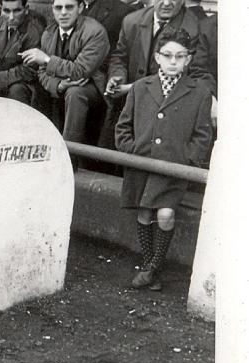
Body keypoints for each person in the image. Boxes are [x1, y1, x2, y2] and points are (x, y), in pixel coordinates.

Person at [114, 28, 212, 291]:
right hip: (142, 165)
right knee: (145, 212)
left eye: (180, 56)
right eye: (167, 55)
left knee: (166, 215)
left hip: (173, 169)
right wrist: (132, 150)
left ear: (188, 60)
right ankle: (150, 268)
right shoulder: (141, 87)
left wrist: (186, 162)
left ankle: (152, 268)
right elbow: (122, 127)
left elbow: (203, 136)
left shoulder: (198, 91)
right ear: (157, 57)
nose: (173, 61)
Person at [102, 0, 213, 151]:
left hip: (168, 107)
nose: (167, 3)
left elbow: (184, 71)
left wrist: (130, 88)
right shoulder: (132, 21)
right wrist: (117, 76)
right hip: (128, 105)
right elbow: (120, 56)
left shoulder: (194, 27)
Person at [22, 0, 109, 148]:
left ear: (80, 8)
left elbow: (80, 71)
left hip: (92, 88)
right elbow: (42, 72)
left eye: (69, 7)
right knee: (35, 89)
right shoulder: (49, 33)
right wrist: (59, 85)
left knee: (75, 93)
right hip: (61, 86)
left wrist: (47, 59)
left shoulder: (95, 31)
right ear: (53, 9)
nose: (63, 12)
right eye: (58, 7)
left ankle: (69, 155)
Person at [0, 0, 43, 104]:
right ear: (0, 9)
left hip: (25, 85)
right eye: (6, 11)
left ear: (26, 9)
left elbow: (30, 70)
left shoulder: (34, 30)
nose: (11, 17)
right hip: (0, 80)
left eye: (17, 11)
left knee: (16, 91)